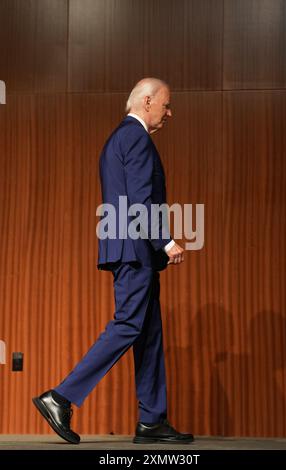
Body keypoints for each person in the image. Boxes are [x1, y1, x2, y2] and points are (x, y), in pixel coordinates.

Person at [32, 78, 194, 445]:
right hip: (134, 250)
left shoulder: (120, 138)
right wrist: (165, 241)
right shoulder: (135, 137)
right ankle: (59, 397)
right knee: (128, 325)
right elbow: (139, 201)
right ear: (147, 101)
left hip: (134, 251)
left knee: (149, 334)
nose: (170, 113)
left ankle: (151, 420)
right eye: (166, 105)